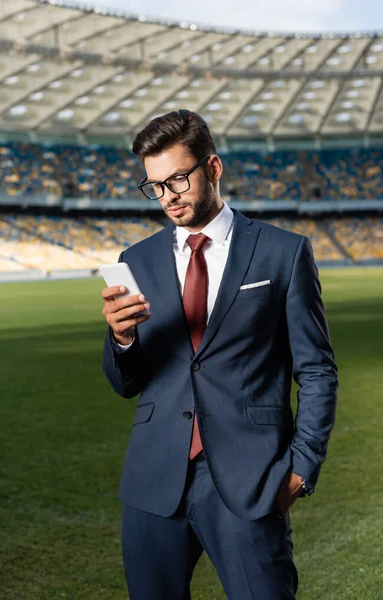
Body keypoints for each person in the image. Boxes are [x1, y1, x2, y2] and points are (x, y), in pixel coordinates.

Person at [101, 109, 338, 600]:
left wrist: (302, 467)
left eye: (178, 180)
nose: (167, 197)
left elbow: (316, 370)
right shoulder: (135, 261)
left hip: (249, 480)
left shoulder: (283, 252)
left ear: (212, 168)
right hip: (153, 479)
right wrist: (121, 341)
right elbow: (126, 383)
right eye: (155, 186)